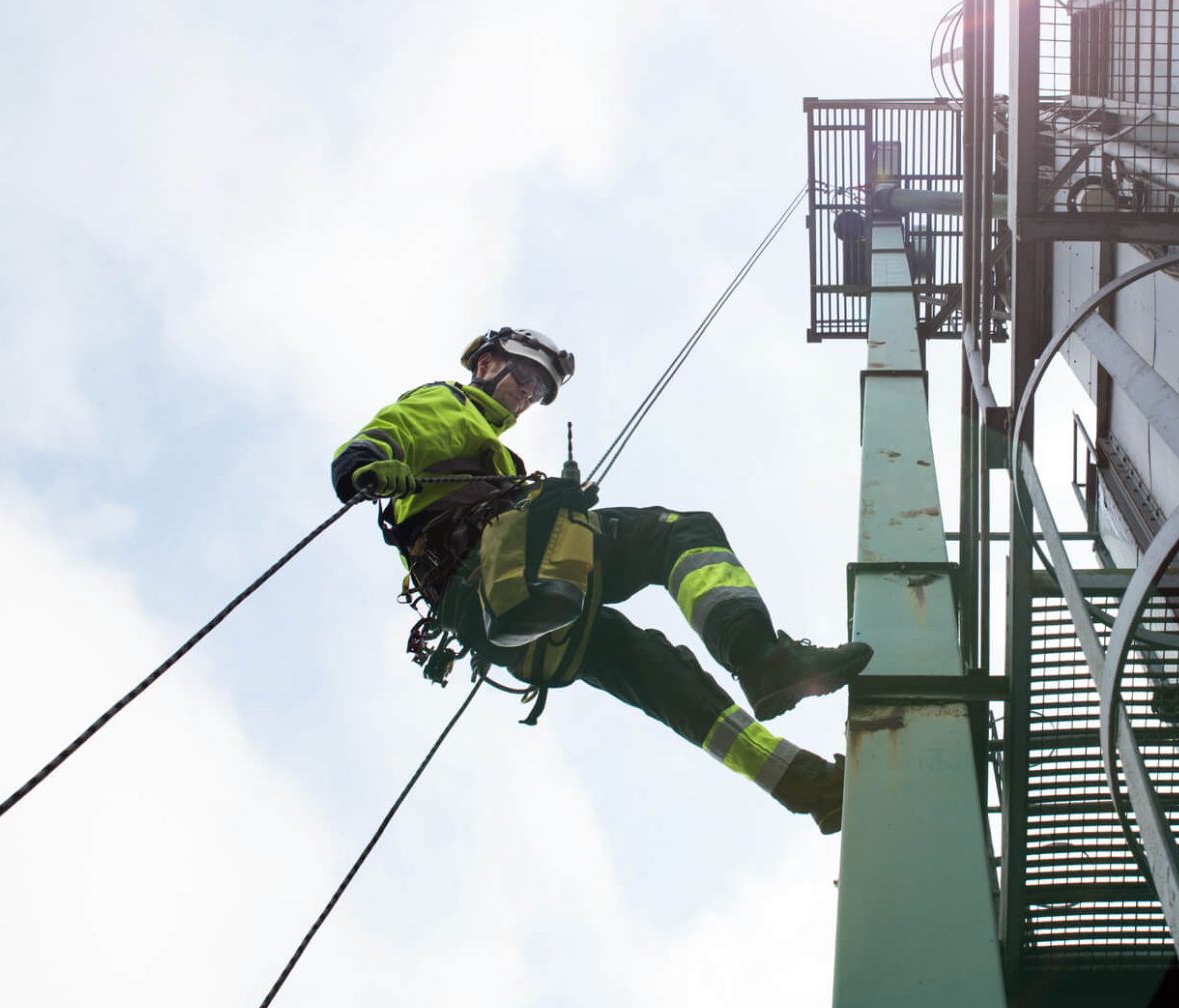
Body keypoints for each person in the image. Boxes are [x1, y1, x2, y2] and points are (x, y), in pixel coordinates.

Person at [330, 327, 871, 833]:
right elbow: (398, 431)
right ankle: (762, 659)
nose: (525, 396)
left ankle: (811, 788)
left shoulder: (496, 455)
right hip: (500, 570)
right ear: (487, 363)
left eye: (536, 391)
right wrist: (366, 462)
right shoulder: (453, 405)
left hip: (497, 611)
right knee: (677, 534)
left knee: (661, 674)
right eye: (522, 379)